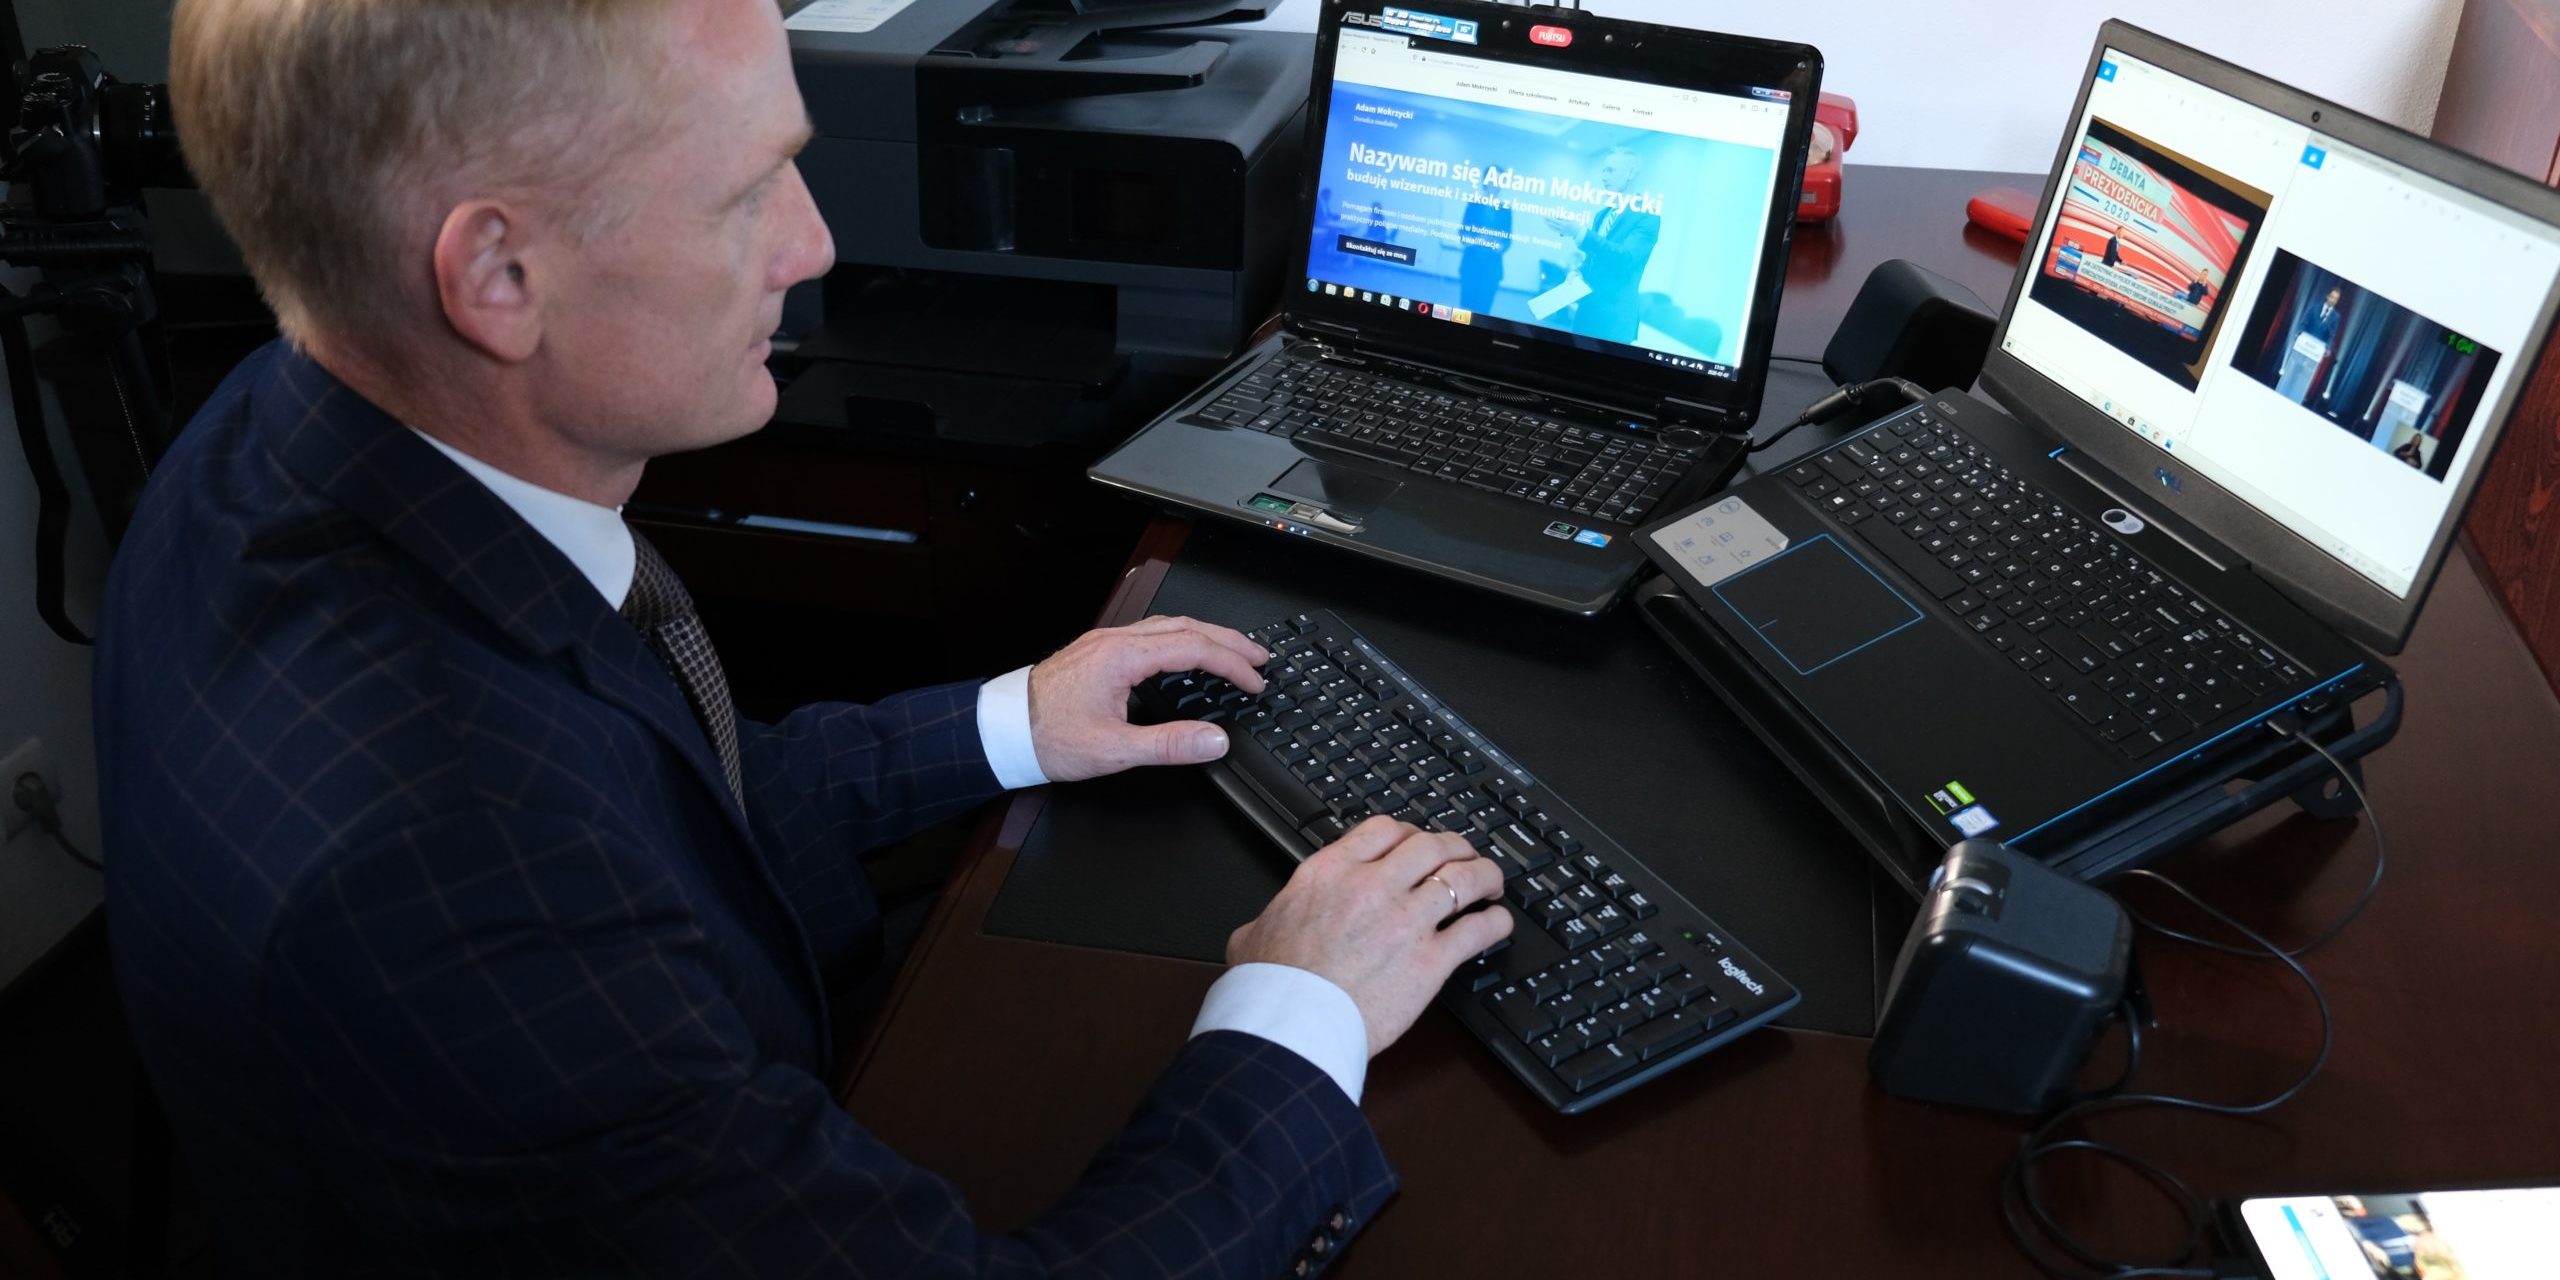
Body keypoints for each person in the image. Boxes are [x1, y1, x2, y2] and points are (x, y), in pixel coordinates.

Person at [96, 0, 1512, 1274]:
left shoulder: (280, 428)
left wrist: (1008, 721)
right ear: (497, 276)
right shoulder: (454, 890)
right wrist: (1300, 1010)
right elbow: (547, 854)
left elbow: (652, 798)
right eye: (743, 192)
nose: (814, 244)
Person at [1565, 146, 1662, 345]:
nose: (1603, 177)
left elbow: (1625, 258)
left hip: (1613, 322)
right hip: (1586, 314)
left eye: (1610, 170)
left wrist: (1581, 234)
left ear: (1630, 174)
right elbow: (1593, 259)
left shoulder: (1647, 215)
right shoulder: (1602, 215)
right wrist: (1579, 272)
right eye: (1603, 170)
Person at [2276, 283, 2346, 404]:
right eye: (2332, 297)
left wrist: (2328, 348)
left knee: (2303, 378)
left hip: (2315, 353)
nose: (2333, 300)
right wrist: (2299, 333)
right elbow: (2304, 323)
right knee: (2292, 371)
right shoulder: (2315, 307)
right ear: (2327, 296)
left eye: (2336, 299)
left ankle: (2295, 400)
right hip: (2302, 347)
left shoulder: (2336, 317)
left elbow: (2332, 335)